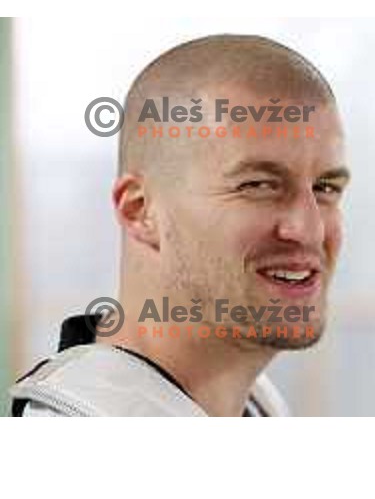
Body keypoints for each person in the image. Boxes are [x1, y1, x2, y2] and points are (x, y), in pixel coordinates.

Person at [9, 34, 350, 416]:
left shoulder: (257, 405)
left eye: (325, 187)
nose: (310, 229)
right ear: (140, 210)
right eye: (258, 185)